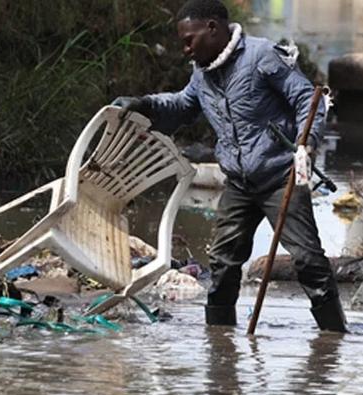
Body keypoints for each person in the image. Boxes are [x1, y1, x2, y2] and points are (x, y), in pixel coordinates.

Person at [112, 0, 347, 332]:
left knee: (308, 261)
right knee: (222, 265)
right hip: (238, 183)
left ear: (212, 28)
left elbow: (307, 100)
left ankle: (335, 340)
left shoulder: (262, 56)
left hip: (281, 176)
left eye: (189, 39)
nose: (185, 49)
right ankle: (220, 347)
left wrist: (306, 147)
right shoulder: (202, 72)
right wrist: (145, 104)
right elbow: (182, 106)